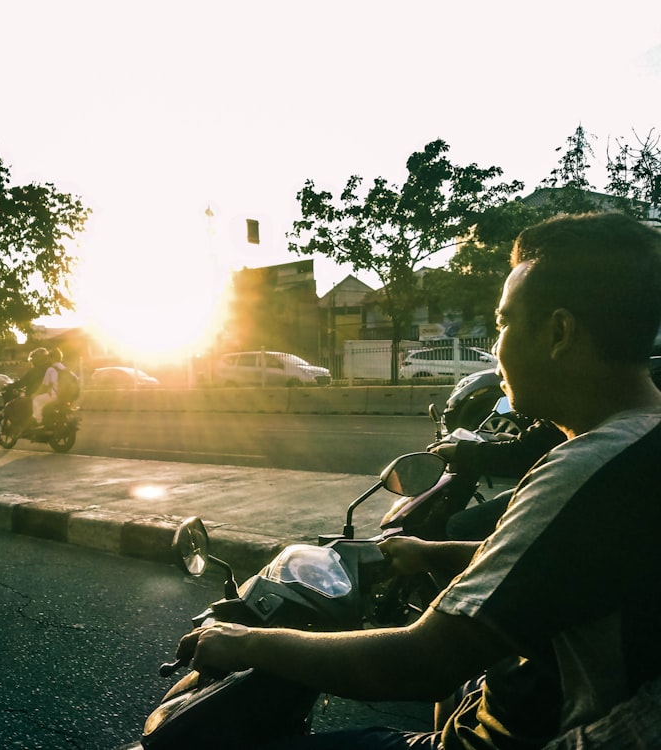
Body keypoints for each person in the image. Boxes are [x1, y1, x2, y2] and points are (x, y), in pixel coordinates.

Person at [175, 212, 661, 749]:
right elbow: (565, 559)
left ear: (559, 333)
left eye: (502, 323)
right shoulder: (641, 444)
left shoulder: (587, 466)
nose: (496, 348)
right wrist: (431, 554)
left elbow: (421, 661)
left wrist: (246, 643)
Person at [431, 417, 566, 540]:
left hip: (556, 491)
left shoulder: (561, 412)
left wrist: (459, 451)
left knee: (459, 524)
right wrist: (513, 439)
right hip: (554, 484)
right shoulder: (557, 415)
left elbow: (519, 454)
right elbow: (536, 443)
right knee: (500, 500)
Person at [3, 347, 48, 438]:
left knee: (14, 405)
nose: (33, 362)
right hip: (46, 396)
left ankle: (23, 428)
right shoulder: (49, 369)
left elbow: (23, 382)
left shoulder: (35, 371)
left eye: (34, 359)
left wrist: (10, 386)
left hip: (34, 396)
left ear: (38, 359)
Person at [32, 347, 65, 425]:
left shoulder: (51, 369)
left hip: (55, 396)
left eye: (49, 357)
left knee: (36, 400)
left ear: (52, 358)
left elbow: (44, 385)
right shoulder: (64, 368)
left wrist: (35, 394)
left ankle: (38, 422)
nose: (48, 360)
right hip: (64, 396)